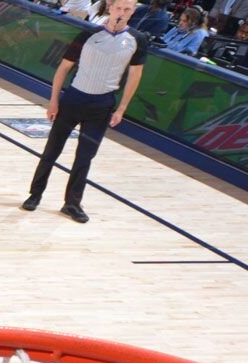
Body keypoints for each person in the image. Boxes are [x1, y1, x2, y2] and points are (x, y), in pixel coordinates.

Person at [23, 0, 149, 224]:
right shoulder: (89, 34)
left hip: (101, 106)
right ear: (110, 8)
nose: (122, 12)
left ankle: (72, 204)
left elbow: (135, 76)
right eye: (119, 8)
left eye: (127, 9)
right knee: (52, 150)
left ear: (133, 12)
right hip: (73, 99)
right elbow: (64, 67)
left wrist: (122, 108)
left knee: (85, 157)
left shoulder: (137, 40)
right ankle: (35, 194)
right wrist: (54, 100)